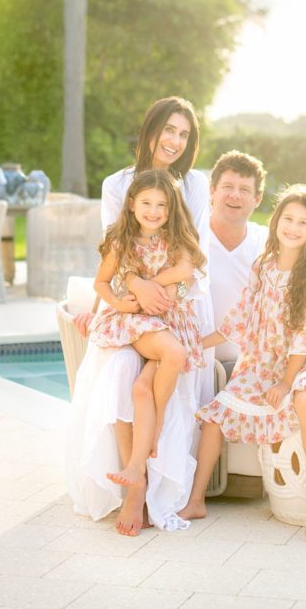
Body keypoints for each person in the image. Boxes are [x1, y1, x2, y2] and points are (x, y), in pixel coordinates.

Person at [66, 96, 212, 536]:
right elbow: (118, 251)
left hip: (176, 307)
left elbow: (194, 261)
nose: (174, 141)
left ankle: (147, 482)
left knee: (150, 384)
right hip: (132, 316)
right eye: (169, 129)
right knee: (122, 377)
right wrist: (131, 294)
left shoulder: (194, 185)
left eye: (184, 134)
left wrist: (162, 290)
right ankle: (134, 488)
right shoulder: (118, 185)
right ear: (150, 130)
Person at [179, 184, 306, 539]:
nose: (294, 228)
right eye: (288, 219)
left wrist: (286, 381)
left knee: (303, 397)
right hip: (265, 363)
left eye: (303, 223)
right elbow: (241, 316)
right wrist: (196, 344)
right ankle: (196, 499)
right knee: (215, 414)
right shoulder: (264, 266)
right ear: (276, 222)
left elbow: (304, 333)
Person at [91, 169, 206, 481]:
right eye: (146, 203)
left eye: (161, 205)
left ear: (171, 209)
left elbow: (186, 268)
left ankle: (135, 466)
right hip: (140, 319)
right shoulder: (121, 241)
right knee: (174, 354)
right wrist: (119, 303)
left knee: (143, 390)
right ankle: (153, 431)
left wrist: (149, 284)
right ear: (131, 204)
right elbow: (101, 282)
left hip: (173, 318)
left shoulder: (175, 238)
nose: (153, 212)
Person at [208, 150, 268, 370]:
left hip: (250, 364)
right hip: (199, 360)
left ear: (257, 199)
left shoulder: (268, 243)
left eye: (244, 190)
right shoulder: (190, 238)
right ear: (212, 190)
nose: (235, 195)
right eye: (227, 187)